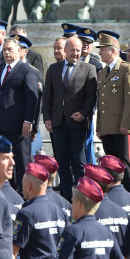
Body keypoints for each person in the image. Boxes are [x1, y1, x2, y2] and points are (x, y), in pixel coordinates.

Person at [43, 36, 97, 201]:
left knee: (79, 161)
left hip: (78, 122)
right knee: (62, 160)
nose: (75, 53)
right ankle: (66, 196)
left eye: (78, 50)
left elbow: (91, 96)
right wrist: (47, 118)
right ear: (65, 50)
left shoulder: (88, 68)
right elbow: (48, 97)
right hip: (58, 122)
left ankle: (81, 194)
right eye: (72, 50)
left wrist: (84, 113)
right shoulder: (53, 69)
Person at [0, 38, 40, 191]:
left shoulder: (27, 70)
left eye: (10, 49)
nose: (7, 53)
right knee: (3, 162)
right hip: (1, 125)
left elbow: (32, 98)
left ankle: (24, 195)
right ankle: (7, 192)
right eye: (4, 50)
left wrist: (28, 120)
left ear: (19, 51)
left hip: (19, 127)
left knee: (21, 163)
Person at [96, 34, 130, 190]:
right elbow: (101, 102)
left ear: (112, 51)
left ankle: (129, 194)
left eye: (102, 49)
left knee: (125, 162)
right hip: (107, 127)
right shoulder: (102, 72)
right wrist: (99, 127)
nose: (99, 53)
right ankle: (115, 192)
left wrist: (126, 123)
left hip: (121, 126)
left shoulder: (127, 68)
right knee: (111, 163)